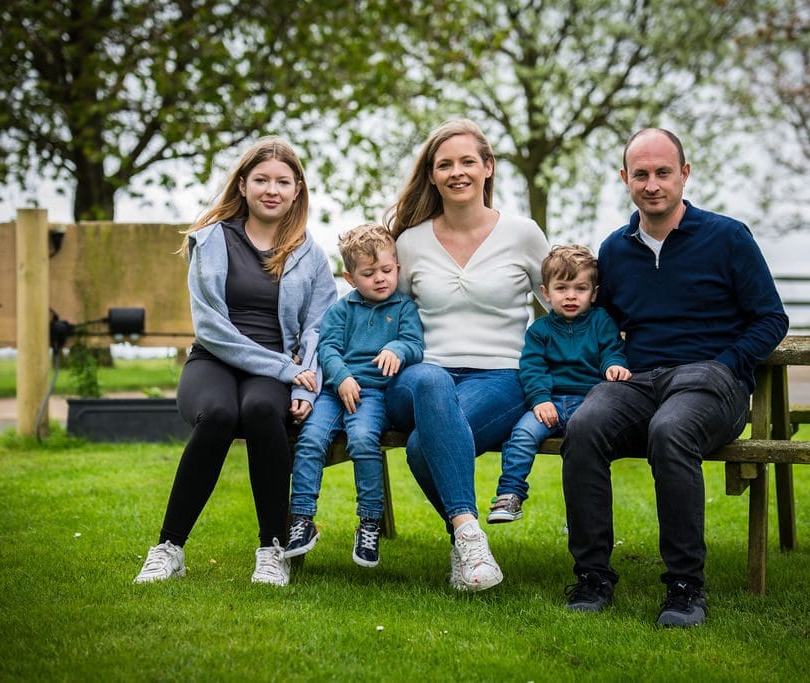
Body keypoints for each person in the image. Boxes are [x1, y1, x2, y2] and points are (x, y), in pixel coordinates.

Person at [561, 128, 789, 626]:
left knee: (671, 430)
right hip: (640, 380)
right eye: (640, 174)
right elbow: (604, 323)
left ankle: (685, 586)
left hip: (712, 381)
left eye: (663, 172)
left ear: (684, 174)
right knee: (582, 426)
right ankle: (592, 577)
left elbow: (772, 318)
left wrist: (729, 364)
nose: (652, 184)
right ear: (624, 179)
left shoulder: (728, 237)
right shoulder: (615, 250)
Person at [134, 136, 337, 587]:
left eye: (283, 181)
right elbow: (211, 329)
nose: (272, 189)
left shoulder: (312, 255)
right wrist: (287, 371)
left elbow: (318, 330)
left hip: (278, 370)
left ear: (298, 189)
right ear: (242, 185)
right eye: (261, 179)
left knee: (264, 410)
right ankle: (168, 548)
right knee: (220, 414)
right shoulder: (209, 241)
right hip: (215, 361)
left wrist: (303, 386)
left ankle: (272, 548)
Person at [383, 118, 548, 591]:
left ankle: (462, 540)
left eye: (467, 162)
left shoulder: (522, 234)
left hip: (501, 377)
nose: (457, 172)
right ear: (432, 176)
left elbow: (563, 302)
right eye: (445, 164)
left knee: (421, 447)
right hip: (417, 377)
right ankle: (472, 536)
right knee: (431, 380)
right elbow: (385, 317)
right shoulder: (410, 243)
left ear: (488, 168)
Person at [284, 223, 424, 568]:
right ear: (350, 278)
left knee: (363, 440)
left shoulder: (404, 308)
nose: (380, 278)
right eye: (369, 273)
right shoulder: (341, 310)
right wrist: (342, 376)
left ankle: (369, 522)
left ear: (398, 270)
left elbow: (415, 345)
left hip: (374, 395)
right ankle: (301, 519)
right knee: (311, 440)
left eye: (387, 270)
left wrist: (397, 348)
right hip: (335, 392)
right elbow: (328, 348)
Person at [487, 245, 630, 524]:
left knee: (584, 449)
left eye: (580, 288)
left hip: (589, 404)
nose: (571, 296)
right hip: (549, 403)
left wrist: (614, 365)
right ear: (546, 293)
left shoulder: (601, 322)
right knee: (521, 435)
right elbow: (532, 367)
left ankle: (582, 514)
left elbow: (612, 350)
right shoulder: (539, 331)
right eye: (562, 288)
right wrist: (540, 399)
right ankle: (510, 494)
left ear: (594, 293)